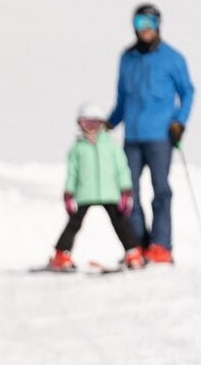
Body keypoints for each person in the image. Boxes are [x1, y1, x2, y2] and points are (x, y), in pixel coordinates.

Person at [108, 3, 195, 264]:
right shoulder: (128, 58)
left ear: (158, 25)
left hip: (160, 136)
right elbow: (122, 98)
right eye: (138, 23)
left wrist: (180, 121)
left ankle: (161, 245)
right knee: (128, 192)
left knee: (161, 190)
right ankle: (138, 245)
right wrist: (110, 124)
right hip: (132, 136)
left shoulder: (172, 58)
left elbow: (188, 91)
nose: (143, 29)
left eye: (148, 23)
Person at [48, 103, 143, 271]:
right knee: (74, 224)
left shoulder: (111, 145)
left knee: (120, 222)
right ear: (80, 124)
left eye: (95, 123)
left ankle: (133, 252)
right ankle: (61, 255)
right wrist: (69, 193)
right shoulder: (77, 149)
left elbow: (122, 168)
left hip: (110, 193)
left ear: (102, 124)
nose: (91, 128)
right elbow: (72, 173)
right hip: (85, 193)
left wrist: (126, 190)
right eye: (86, 123)